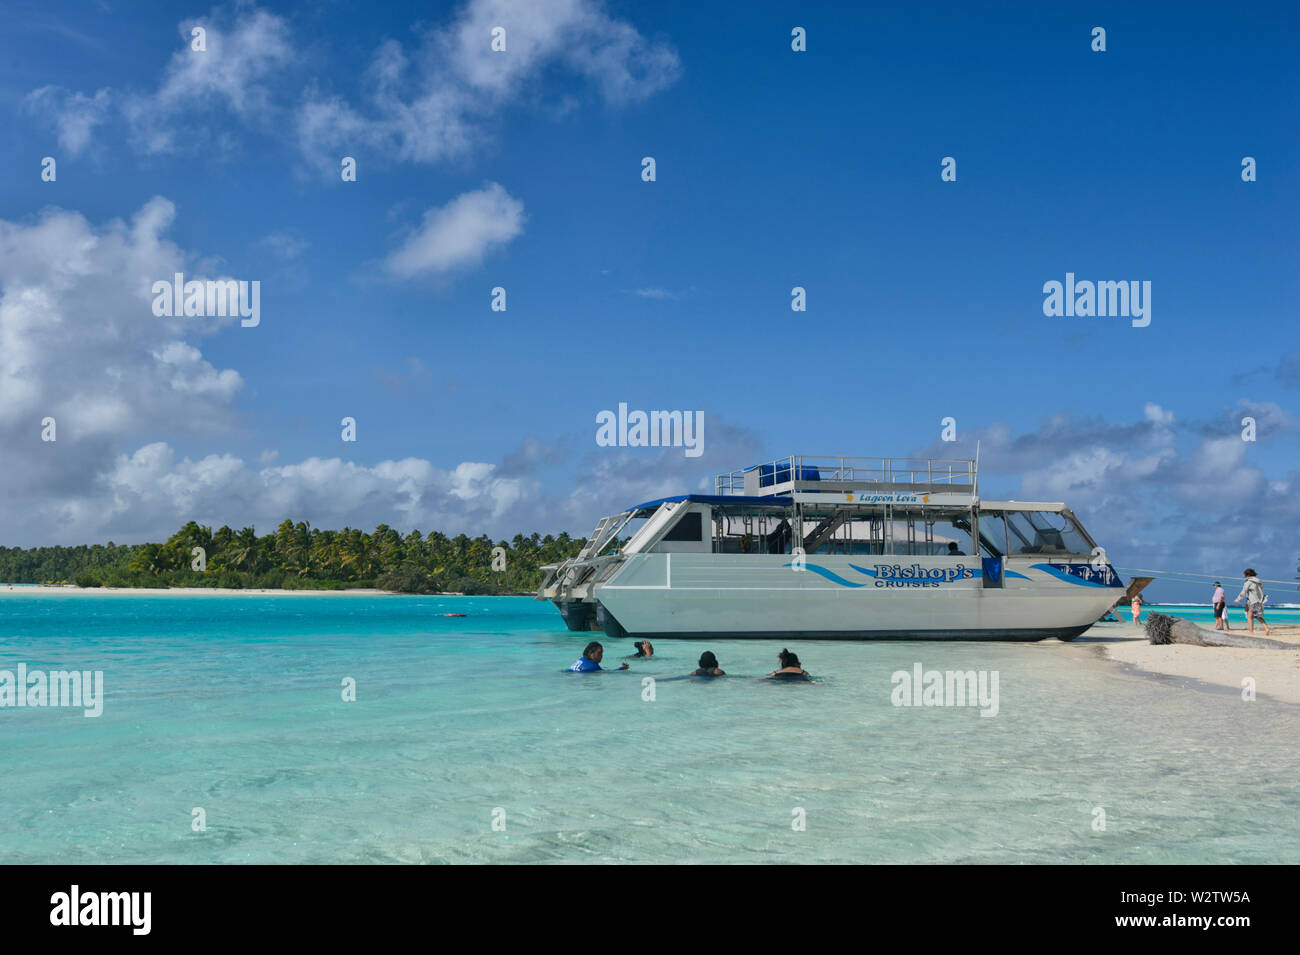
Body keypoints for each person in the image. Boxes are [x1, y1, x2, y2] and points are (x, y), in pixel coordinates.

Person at [1234, 569, 1270, 636]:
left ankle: (1251, 632)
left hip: (1253, 602)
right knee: (1257, 616)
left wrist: (1238, 599)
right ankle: (1266, 628)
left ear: (1247, 575)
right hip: (1259, 601)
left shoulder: (1248, 582)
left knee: (1249, 617)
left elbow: (1243, 591)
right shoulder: (1258, 582)